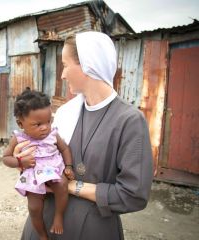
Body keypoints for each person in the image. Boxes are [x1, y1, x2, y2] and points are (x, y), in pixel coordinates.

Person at [18, 31, 154, 239]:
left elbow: (133, 195)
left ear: (87, 65)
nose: (62, 75)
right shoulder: (65, 113)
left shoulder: (129, 120)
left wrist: (74, 186)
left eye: (65, 65)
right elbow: (41, 168)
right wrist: (25, 159)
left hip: (92, 230)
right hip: (43, 225)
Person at [3, 89, 75, 240]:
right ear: (20, 123)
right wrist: (20, 162)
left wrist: (68, 167)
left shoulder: (53, 135)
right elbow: (6, 158)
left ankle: (58, 216)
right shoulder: (18, 138)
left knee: (62, 184)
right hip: (32, 175)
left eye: (48, 121)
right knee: (35, 208)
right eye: (38, 124)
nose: (45, 127)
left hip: (52, 170)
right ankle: (42, 235)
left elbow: (64, 149)